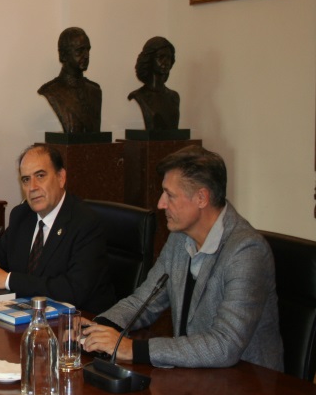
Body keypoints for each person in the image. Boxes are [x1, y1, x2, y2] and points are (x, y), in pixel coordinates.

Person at [83, 146, 283, 370]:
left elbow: (225, 345)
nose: (160, 204)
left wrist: (133, 349)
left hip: (250, 386)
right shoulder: (179, 238)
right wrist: (96, 328)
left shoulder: (246, 252)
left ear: (201, 197)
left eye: (169, 195)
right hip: (194, 377)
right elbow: (144, 302)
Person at [0, 144, 113, 313]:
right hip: (27, 317)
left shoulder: (86, 222)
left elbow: (73, 290)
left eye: (40, 176)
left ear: (61, 178)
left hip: (78, 323)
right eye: (26, 179)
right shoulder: (21, 215)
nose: (33, 187)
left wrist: (8, 280)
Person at [38, 27, 102, 134]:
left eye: (88, 50)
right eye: (80, 50)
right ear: (63, 55)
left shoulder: (95, 91)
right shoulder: (52, 91)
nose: (86, 55)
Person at [128, 36, 181, 130]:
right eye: (160, 57)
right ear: (149, 59)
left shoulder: (174, 96)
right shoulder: (140, 95)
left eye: (168, 57)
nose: (166, 62)